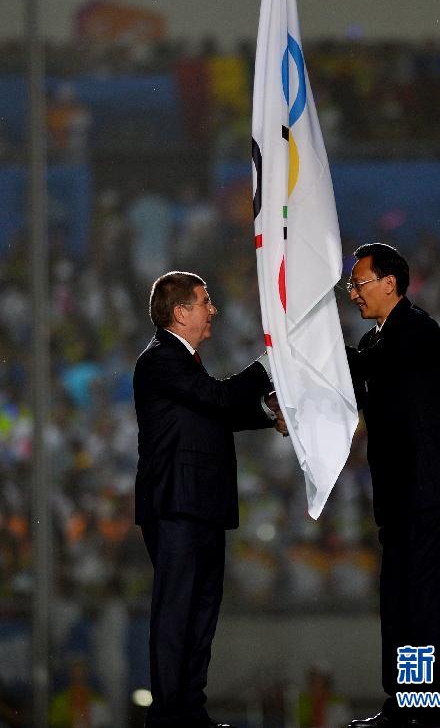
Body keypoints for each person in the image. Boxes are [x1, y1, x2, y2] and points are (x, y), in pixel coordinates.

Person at [134, 270, 285, 728]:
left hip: (202, 505)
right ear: (180, 313)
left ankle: (189, 712)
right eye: (205, 301)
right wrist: (269, 362)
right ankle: (168, 717)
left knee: (201, 613)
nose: (212, 309)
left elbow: (214, 413)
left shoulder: (184, 363)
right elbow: (218, 398)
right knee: (177, 612)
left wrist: (265, 412)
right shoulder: (161, 358)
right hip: (178, 505)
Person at [344, 244, 440, 728]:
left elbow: (368, 366)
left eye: (358, 283)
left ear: (390, 283)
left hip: (432, 489)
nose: (353, 293)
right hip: (401, 494)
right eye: (351, 285)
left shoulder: (416, 328)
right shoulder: (374, 342)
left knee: (425, 596)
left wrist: (310, 351)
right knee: (400, 596)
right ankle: (405, 701)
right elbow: (350, 385)